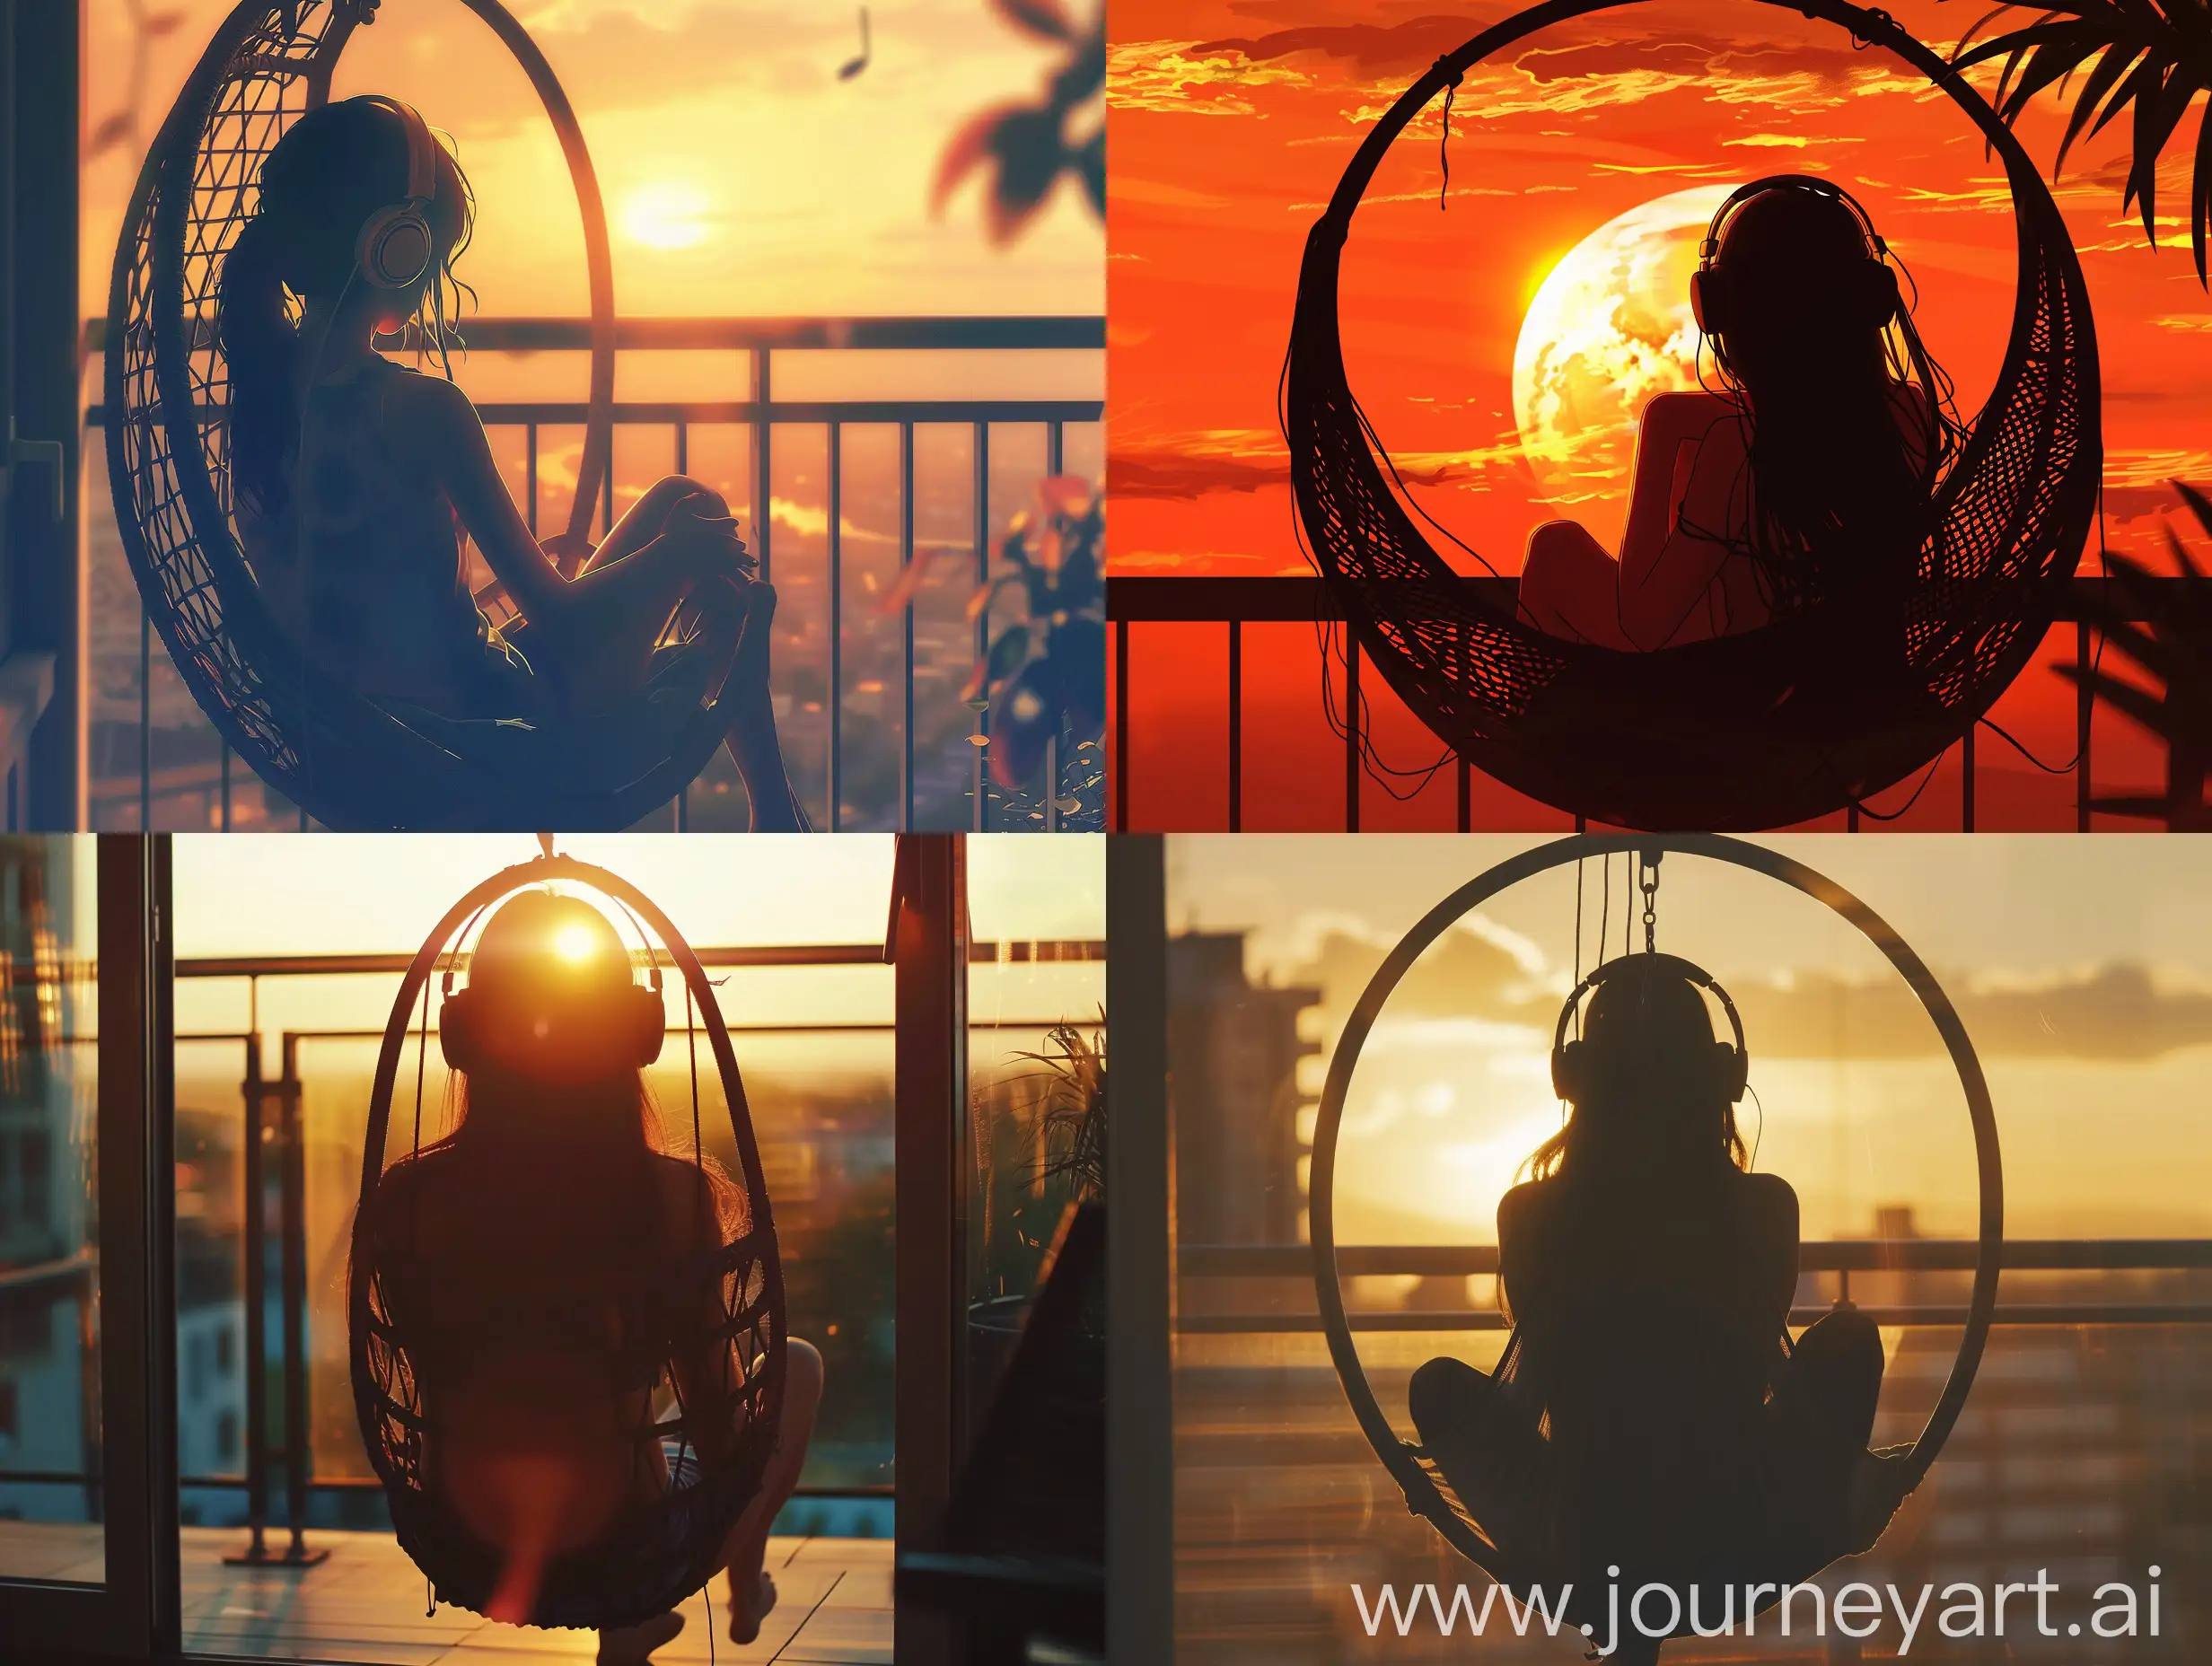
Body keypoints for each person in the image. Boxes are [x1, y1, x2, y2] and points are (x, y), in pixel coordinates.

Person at [220, 97, 805, 828]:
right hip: (496, 740)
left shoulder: (257, 407)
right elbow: (557, 623)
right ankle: (776, 814)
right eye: (432, 249)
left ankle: (776, 815)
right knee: (697, 530)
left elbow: (372, 597)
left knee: (678, 515)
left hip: (358, 748)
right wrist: (671, 556)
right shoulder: (424, 410)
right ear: (392, 246)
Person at [356, 891, 822, 1663]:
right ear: (635, 1034)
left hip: (461, 1533)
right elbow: (716, 1415)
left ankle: (670, 1613)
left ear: (467, 1037)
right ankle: (723, 1586)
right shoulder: (669, 1196)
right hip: (625, 1550)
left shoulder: (408, 1198)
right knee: (796, 1368)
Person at [1407, 953, 1904, 1661]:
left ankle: (1616, 1611)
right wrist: (1841, 1477)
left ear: (1576, 1079)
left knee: (1437, 1387)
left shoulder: (1535, 1212)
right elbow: (1770, 1366)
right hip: (1736, 1540)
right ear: (1721, 1077)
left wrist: (1472, 1481)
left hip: (1590, 1543)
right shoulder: (1762, 1206)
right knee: (1850, 1342)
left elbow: (1532, 1388)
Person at [1516, 178, 1961, 654]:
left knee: (1556, 548)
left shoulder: (1737, 449)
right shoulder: (1912, 412)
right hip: (1873, 691)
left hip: (1753, 707)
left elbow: (1642, 624)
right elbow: (1821, 408)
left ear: (1721, 310)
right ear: (1870, 300)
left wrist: (1659, 430)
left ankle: (1556, 723)